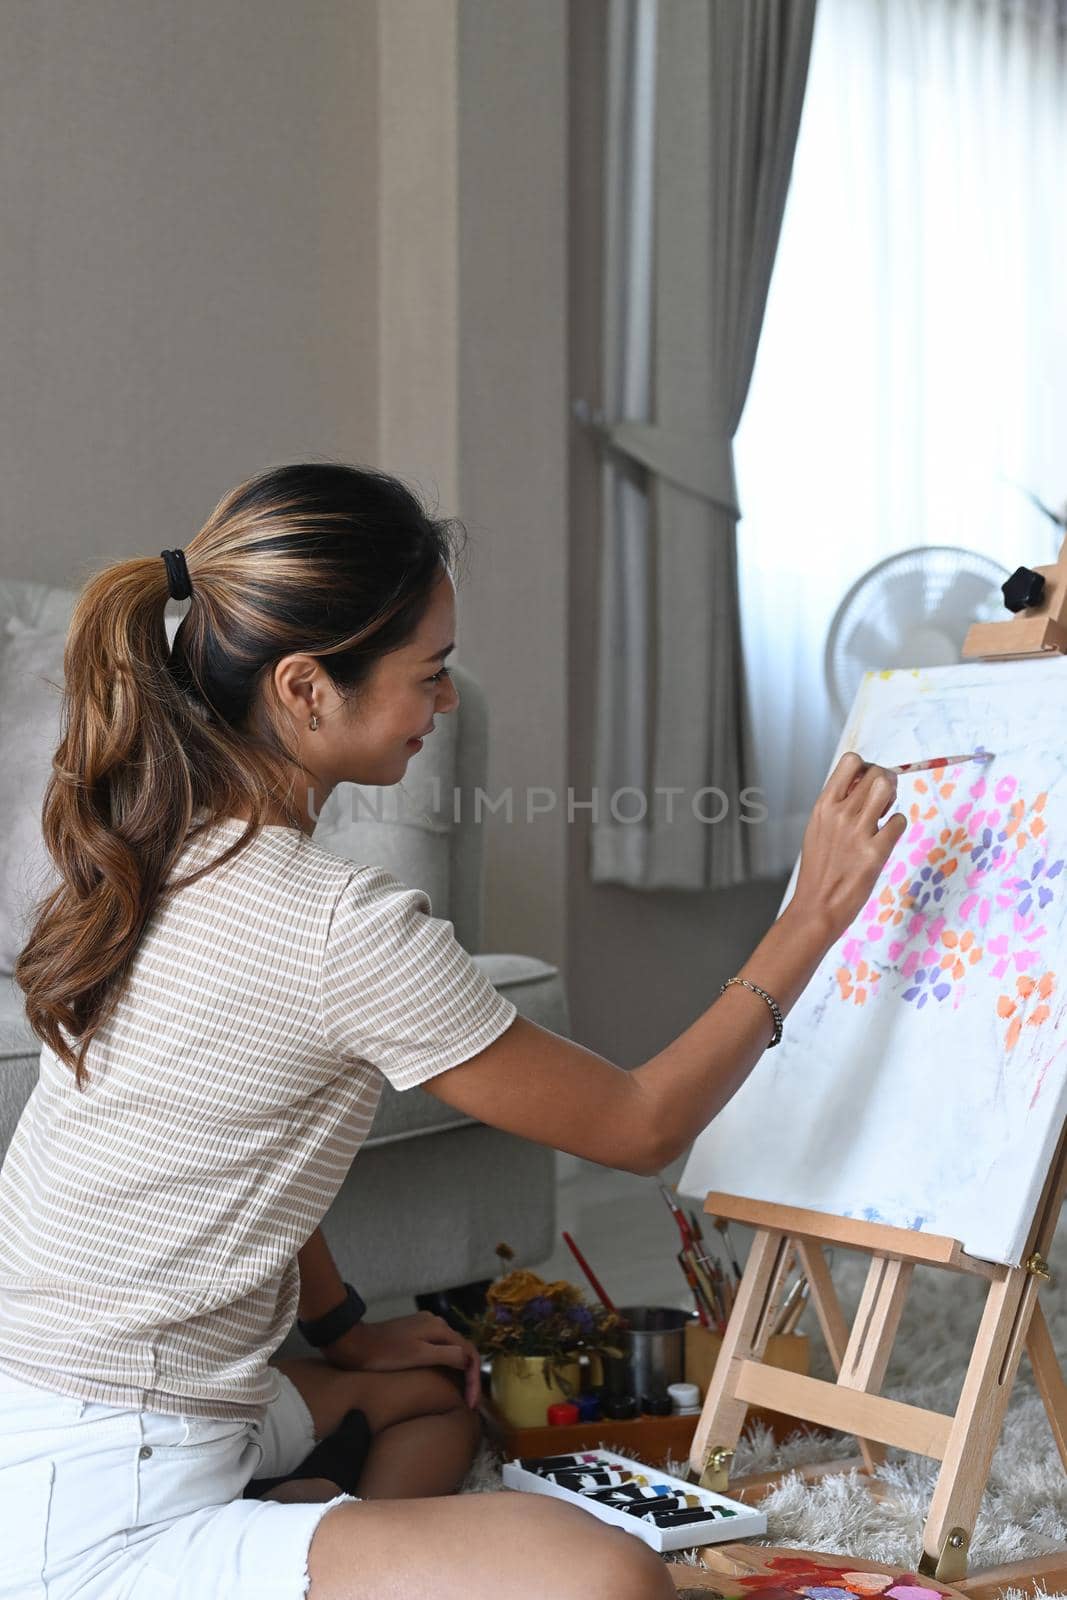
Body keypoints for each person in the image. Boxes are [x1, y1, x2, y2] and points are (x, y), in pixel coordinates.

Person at [0, 462, 906, 1600]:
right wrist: (812, 914)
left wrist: (338, 1326)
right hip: (103, 1497)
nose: (448, 702)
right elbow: (635, 1124)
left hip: (66, 1411)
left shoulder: (152, 840)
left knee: (432, 1391)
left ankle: (318, 1550)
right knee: (606, 1578)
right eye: (427, 674)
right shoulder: (335, 927)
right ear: (304, 688)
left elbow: (246, 1140)